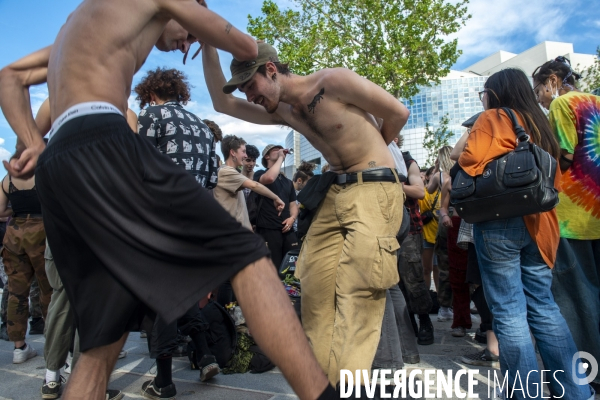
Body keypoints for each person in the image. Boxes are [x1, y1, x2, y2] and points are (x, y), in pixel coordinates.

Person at [0, 2, 335, 399]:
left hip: (59, 164)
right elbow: (246, 48)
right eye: (189, 33)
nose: (187, 43)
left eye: (194, 39)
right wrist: (206, 31)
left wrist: (34, 143)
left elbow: (11, 75)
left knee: (102, 339)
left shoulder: (79, 31)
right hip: (104, 137)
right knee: (246, 257)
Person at [203, 40, 409, 387]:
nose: (249, 95)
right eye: (244, 89)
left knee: (358, 291)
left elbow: (398, 113)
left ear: (271, 69)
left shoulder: (333, 81)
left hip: (373, 188)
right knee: (313, 289)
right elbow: (222, 102)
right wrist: (207, 42)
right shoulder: (282, 110)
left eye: (250, 86)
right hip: (334, 192)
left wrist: (376, 156)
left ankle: (350, 388)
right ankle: (327, 388)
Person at [459, 68, 594, 400]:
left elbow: (467, 160)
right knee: (545, 307)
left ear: (496, 92)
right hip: (543, 225)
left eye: (485, 93)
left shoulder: (492, 118)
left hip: (500, 221)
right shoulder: (541, 122)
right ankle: (576, 392)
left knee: (508, 309)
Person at [533, 57, 600, 382]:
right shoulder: (596, 102)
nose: (540, 100)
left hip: (573, 216)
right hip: (597, 213)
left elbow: (564, 156)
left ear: (553, 81)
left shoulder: (562, 104)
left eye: (539, 91)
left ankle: (585, 374)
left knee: (577, 298)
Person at [0, 147, 51, 366]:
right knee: (49, 289)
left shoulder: (7, 179)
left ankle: (19, 347)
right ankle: (54, 342)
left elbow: (0, 212)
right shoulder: (45, 173)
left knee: (16, 292)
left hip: (14, 235)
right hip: (42, 232)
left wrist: (17, 210)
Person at [135, 67, 218, 188]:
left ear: (151, 96)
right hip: (198, 202)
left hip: (162, 202)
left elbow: (141, 165)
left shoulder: (150, 114)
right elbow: (212, 180)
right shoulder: (204, 127)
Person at [253, 145, 299, 269]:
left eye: (281, 149)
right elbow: (270, 178)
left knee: (291, 268)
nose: (280, 151)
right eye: (275, 150)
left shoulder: (287, 181)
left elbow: (293, 204)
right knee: (272, 268)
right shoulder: (259, 174)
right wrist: (280, 158)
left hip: (287, 230)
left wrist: (292, 218)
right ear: (266, 156)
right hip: (268, 230)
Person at [418, 166, 440, 292]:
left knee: (439, 269)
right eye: (433, 173)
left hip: (441, 235)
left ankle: (441, 300)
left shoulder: (444, 190)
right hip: (427, 235)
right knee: (427, 269)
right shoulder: (424, 193)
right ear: (427, 177)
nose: (437, 176)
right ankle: (427, 298)